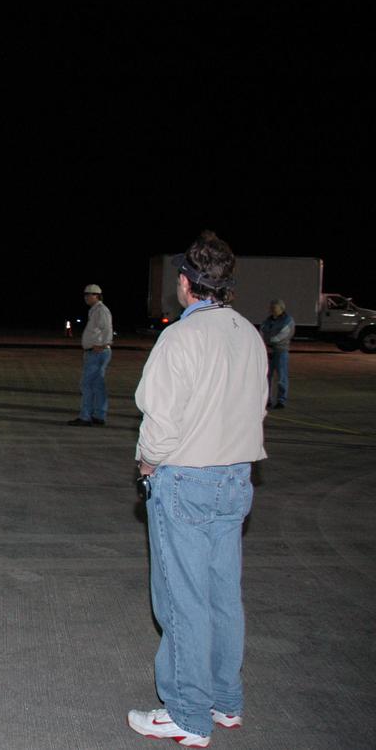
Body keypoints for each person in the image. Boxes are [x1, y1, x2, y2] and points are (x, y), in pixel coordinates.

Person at [127, 231, 267, 748]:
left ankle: (187, 714)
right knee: (222, 595)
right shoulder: (248, 334)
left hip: (186, 479)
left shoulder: (180, 338)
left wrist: (146, 465)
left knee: (181, 599)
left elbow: (159, 423)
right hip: (236, 478)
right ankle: (225, 701)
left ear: (185, 284)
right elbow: (260, 403)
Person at [68, 283, 112, 426]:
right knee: (97, 384)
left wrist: (104, 344)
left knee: (86, 384)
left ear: (97, 296)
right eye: (85, 294)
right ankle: (99, 415)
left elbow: (107, 328)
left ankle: (85, 416)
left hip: (97, 352)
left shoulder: (101, 310)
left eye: (89, 294)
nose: (86, 297)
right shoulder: (95, 310)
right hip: (96, 351)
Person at [260, 299, 294, 410]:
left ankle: (281, 400)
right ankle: (268, 399)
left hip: (280, 351)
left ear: (281, 308)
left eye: (274, 308)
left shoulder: (287, 320)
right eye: (271, 308)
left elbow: (283, 335)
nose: (271, 310)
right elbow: (262, 330)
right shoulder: (269, 320)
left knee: (281, 377)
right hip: (270, 351)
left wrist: (269, 340)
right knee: (267, 377)